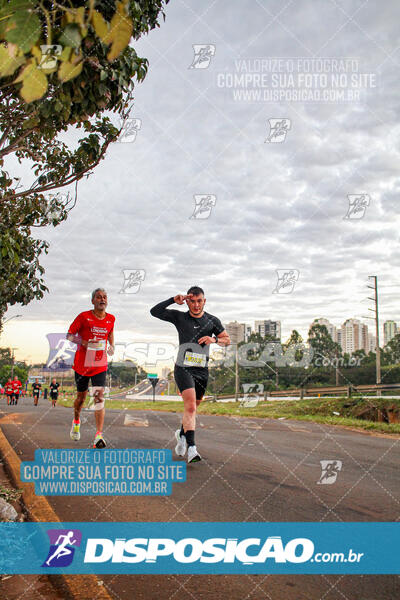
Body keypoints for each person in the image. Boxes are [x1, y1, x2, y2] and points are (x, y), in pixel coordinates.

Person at [150, 286, 230, 463]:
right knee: (191, 407)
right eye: (192, 301)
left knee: (192, 408)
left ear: (204, 301)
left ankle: (182, 435)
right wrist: (173, 300)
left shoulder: (212, 321)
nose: (195, 305)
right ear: (187, 301)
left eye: (199, 301)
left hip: (202, 370)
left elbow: (227, 340)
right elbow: (154, 311)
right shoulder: (180, 317)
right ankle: (192, 449)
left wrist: (214, 339)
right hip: (183, 368)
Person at [67, 288, 115, 448]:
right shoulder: (83, 317)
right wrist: (84, 342)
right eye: (99, 297)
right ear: (93, 301)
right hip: (82, 365)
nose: (102, 299)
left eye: (104, 297)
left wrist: (112, 345)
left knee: (99, 398)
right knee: (81, 398)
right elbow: (69, 335)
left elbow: (110, 332)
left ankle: (98, 435)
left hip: (100, 363)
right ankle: (76, 420)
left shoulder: (111, 318)